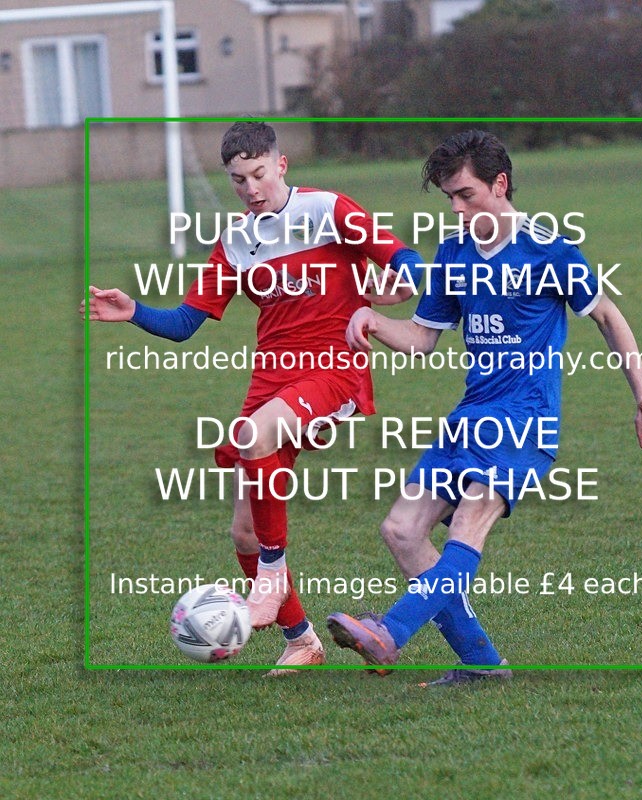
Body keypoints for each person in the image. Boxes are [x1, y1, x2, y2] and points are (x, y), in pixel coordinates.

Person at [327, 129, 642, 685]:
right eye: (449, 199)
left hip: (526, 419)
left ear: (500, 183)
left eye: (465, 195)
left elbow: (608, 316)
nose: (458, 209)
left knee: (468, 521)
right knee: (401, 531)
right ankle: (482, 664)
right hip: (470, 417)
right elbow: (421, 337)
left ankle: (390, 632)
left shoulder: (548, 249)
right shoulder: (455, 252)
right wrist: (371, 319)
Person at [82, 121, 422, 675]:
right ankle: (300, 638)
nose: (251, 188)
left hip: (332, 370)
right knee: (243, 530)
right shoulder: (236, 239)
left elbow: (401, 257)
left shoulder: (329, 210)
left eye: (259, 173)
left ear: (281, 165)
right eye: (239, 180)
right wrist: (134, 311)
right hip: (270, 381)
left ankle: (271, 574)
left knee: (254, 440)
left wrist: (408, 286)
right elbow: (185, 323)